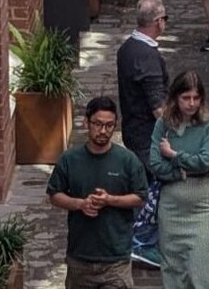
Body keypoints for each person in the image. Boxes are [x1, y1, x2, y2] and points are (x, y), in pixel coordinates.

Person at [47, 96, 148, 289]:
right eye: (98, 124)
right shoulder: (70, 159)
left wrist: (110, 200)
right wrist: (80, 204)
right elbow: (54, 195)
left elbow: (141, 197)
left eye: (109, 125)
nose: (103, 131)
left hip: (116, 260)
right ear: (86, 122)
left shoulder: (127, 160)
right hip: (80, 259)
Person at [149, 70, 209, 289]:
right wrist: (180, 172)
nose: (191, 103)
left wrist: (174, 155)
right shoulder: (164, 124)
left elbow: (205, 162)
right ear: (175, 98)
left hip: (203, 205)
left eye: (196, 98)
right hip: (172, 206)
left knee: (200, 269)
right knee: (172, 267)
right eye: (186, 98)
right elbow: (155, 164)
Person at [116, 0, 169, 267]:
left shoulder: (127, 48)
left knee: (144, 184)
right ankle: (142, 243)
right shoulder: (147, 57)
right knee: (152, 188)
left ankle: (140, 239)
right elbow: (158, 105)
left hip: (132, 128)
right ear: (158, 22)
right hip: (146, 134)